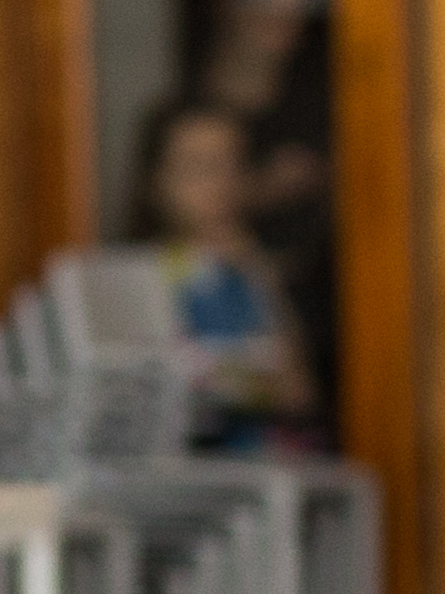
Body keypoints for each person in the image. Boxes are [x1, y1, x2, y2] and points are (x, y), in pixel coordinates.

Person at [134, 101, 319, 455]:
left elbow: (299, 395)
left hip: (262, 474)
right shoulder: (142, 281)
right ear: (156, 180)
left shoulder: (250, 272)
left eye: (233, 165)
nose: (220, 184)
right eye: (198, 168)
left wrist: (261, 278)